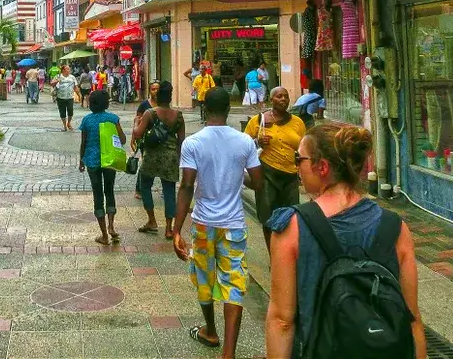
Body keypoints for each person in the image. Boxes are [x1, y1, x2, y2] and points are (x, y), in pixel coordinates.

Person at [264, 123, 426, 359]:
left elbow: (282, 321)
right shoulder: (395, 227)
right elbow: (412, 318)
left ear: (322, 167)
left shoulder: (293, 228)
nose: (296, 166)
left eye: (299, 159)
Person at [173, 87, 264, 358]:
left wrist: (177, 229)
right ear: (228, 110)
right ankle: (229, 353)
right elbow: (258, 183)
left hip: (203, 223)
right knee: (234, 283)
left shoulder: (193, 142)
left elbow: (187, 185)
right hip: (234, 223)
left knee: (204, 278)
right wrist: (239, 174)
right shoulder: (245, 142)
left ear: (204, 108)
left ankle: (210, 330)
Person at [244, 86, 306, 247]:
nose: (283, 99)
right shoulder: (259, 121)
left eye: (286, 96)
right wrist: (257, 142)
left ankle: (287, 252)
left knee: (291, 218)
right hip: (267, 174)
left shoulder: (297, 123)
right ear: (271, 100)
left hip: (290, 177)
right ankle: (273, 255)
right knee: (268, 218)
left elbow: (304, 148)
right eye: (279, 96)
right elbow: (243, 145)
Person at [133, 81, 185, 239]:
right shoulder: (178, 115)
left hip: (152, 156)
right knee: (169, 192)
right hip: (170, 157)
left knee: (145, 186)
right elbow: (182, 140)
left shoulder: (150, 113)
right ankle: (169, 228)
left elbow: (138, 134)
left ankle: (152, 220)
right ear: (170, 97)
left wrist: (136, 123)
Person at [78, 89, 126, 246]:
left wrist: (81, 160)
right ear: (106, 103)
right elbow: (123, 139)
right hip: (109, 161)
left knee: (97, 195)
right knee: (109, 191)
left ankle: (104, 235)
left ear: (91, 104)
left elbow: (83, 143)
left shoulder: (86, 121)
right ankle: (112, 226)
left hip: (92, 162)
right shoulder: (113, 118)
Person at [132, 81, 161, 199]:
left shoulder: (163, 104)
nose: (156, 91)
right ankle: (139, 189)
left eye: (157, 89)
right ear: (150, 91)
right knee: (145, 164)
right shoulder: (144, 105)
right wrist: (133, 138)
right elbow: (137, 120)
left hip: (159, 138)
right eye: (153, 89)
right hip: (145, 139)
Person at [52, 65, 79, 131]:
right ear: (63, 70)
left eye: (69, 69)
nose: (69, 70)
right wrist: (57, 81)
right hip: (60, 97)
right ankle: (64, 125)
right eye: (67, 69)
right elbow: (52, 83)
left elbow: (75, 87)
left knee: (70, 111)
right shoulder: (58, 76)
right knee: (62, 112)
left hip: (70, 97)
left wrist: (79, 95)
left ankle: (68, 123)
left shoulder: (72, 77)